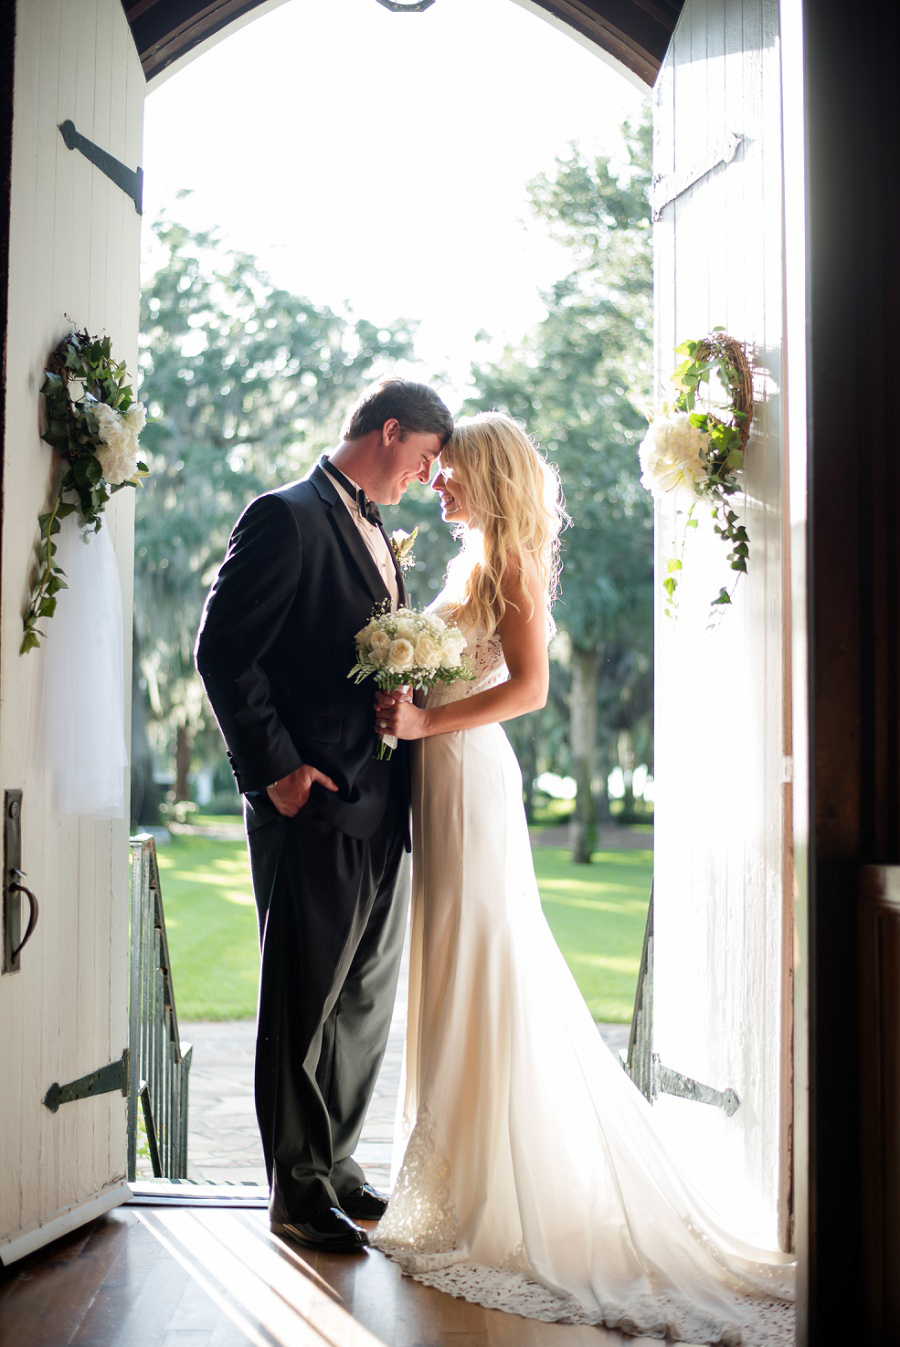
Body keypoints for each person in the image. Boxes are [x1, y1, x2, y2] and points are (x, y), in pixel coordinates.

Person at [371, 412, 795, 1344]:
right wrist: (406, 695)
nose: (437, 484)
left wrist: (426, 725)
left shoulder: (511, 559)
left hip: (471, 781)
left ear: (487, 473)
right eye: (434, 472)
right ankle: (446, 1180)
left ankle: (487, 1194)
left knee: (489, 963)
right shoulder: (467, 558)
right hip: (438, 784)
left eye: (448, 473)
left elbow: (527, 690)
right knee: (451, 962)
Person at [195, 377, 453, 1253]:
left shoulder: (377, 529)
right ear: (389, 432)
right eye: (421, 460)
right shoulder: (287, 515)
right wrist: (276, 774)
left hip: (383, 804)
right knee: (302, 1001)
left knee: (362, 1003)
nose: (422, 480)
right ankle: (296, 1194)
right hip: (311, 804)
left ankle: (336, 1166)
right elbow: (224, 650)